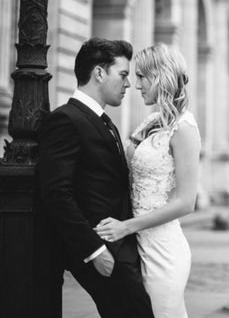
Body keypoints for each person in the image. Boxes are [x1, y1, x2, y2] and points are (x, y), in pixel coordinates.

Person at [38, 38, 155, 318]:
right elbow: (56, 192)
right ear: (99, 73)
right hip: (102, 249)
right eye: (124, 75)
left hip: (121, 244)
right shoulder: (66, 119)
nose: (129, 84)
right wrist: (93, 250)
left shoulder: (104, 121)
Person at [94, 43, 201, 318]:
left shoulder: (184, 129)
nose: (135, 84)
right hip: (136, 246)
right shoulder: (151, 122)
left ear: (160, 76)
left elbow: (187, 203)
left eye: (141, 76)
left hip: (163, 251)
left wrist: (125, 227)